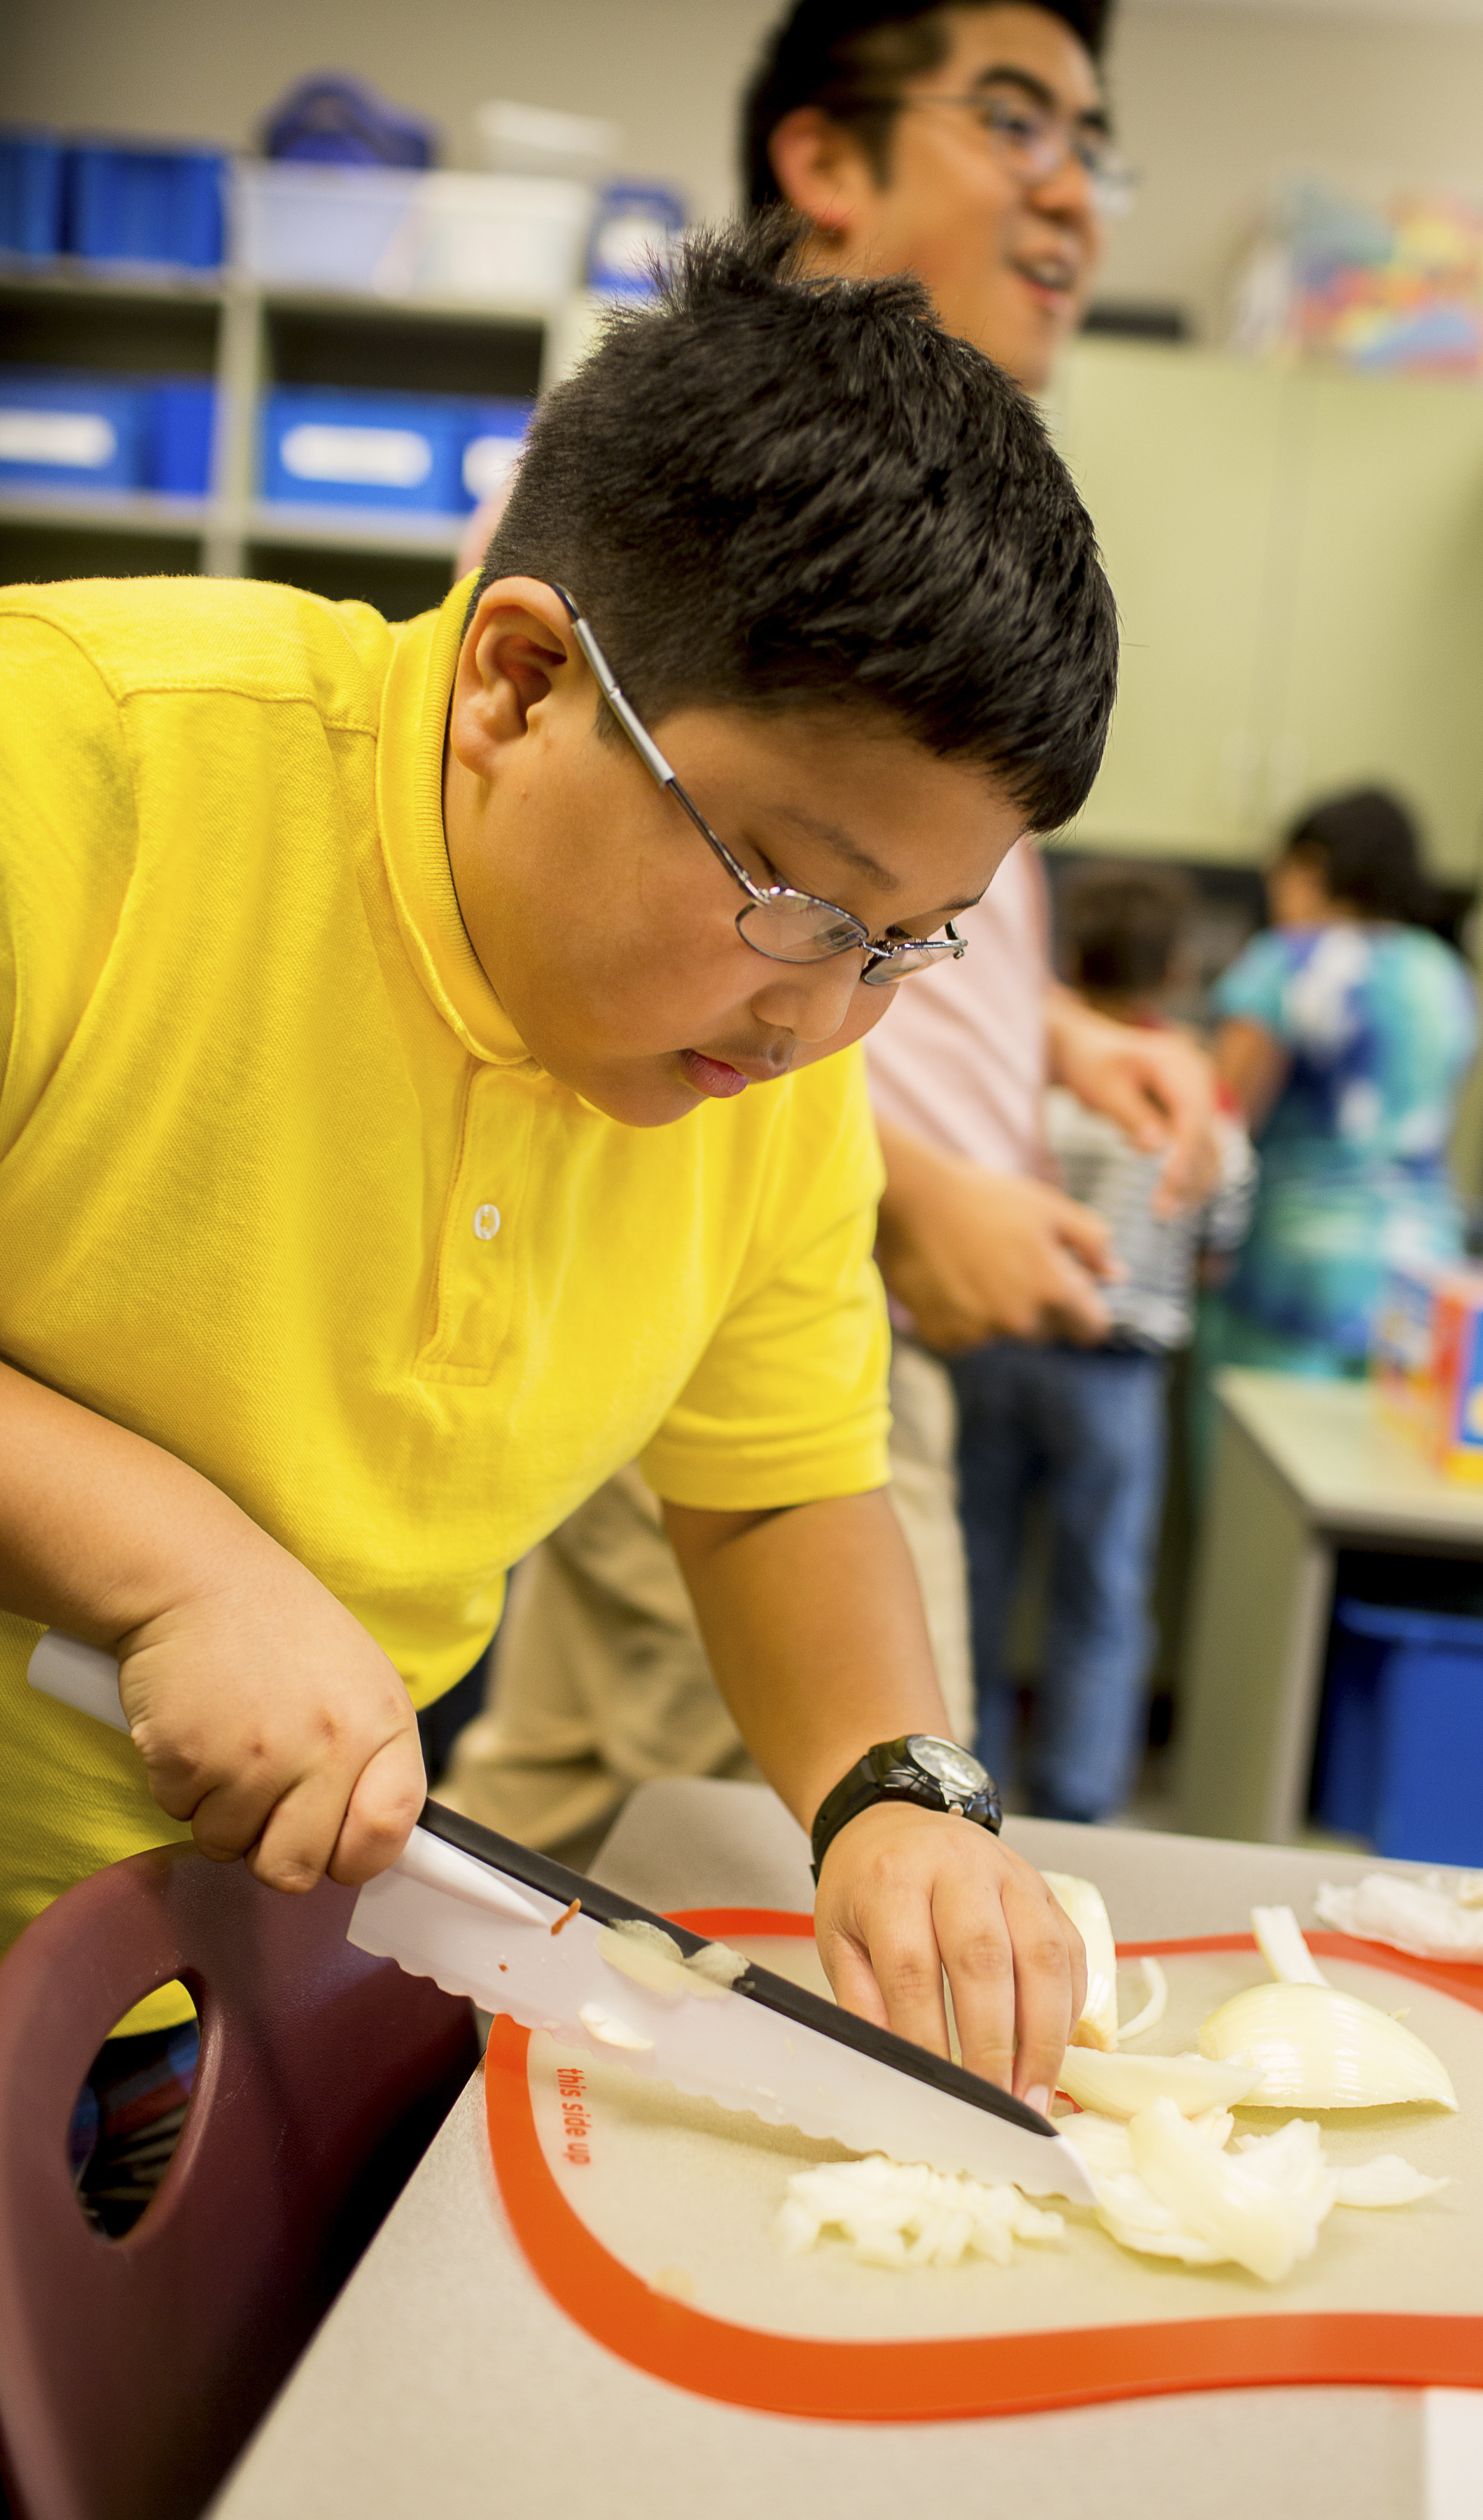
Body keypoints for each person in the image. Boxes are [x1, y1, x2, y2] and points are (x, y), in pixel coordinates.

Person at [0, 224, 1121, 2107]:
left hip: (222, 1994)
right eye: (795, 895)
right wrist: (169, 1564)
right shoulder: (83, 765)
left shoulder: (777, 1055)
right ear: (519, 687)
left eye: (910, 940)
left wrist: (893, 1793)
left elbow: (774, 1491)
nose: (828, 1022)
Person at [442, 0, 1220, 1859]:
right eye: (1016, 122)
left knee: (567, 1803)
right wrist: (910, 1189)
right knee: (767, 1870)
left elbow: (860, 902)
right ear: (824, 158)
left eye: (1096, 146)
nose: (1075, 198)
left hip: (767, 1290)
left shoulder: (968, 581)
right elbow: (560, 906)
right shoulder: (656, 515)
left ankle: (374, 2092)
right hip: (710, 1256)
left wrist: (1052, 1039)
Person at [952, 862, 1255, 1822]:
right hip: (1116, 1376)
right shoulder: (1187, 1093)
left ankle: (968, 1780)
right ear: (1174, 971)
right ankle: (1081, 1799)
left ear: (1068, 957)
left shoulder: (1023, 1076)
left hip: (994, 1349)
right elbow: (1220, 1231)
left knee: (972, 1585)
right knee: (1102, 1598)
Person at [1204, 785, 1479, 1386]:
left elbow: (1223, 1122)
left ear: (1314, 868)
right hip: (1422, 1278)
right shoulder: (1444, 973)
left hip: (1298, 1276)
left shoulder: (1286, 962)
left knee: (1253, 1478)